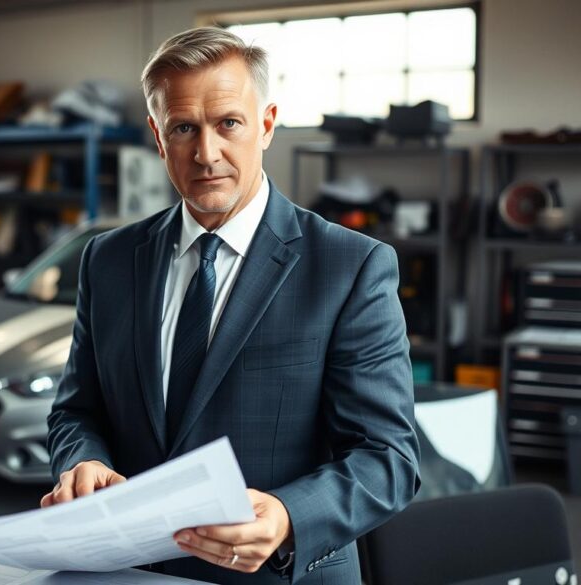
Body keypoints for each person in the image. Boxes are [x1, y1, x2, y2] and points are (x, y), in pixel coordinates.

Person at [43, 27, 420, 584]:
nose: (206, 153)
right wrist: (82, 463)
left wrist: (290, 514)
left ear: (266, 125)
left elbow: (388, 459)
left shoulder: (350, 266)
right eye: (183, 128)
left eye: (228, 124)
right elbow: (77, 410)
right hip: (130, 570)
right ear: (157, 134)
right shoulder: (108, 260)